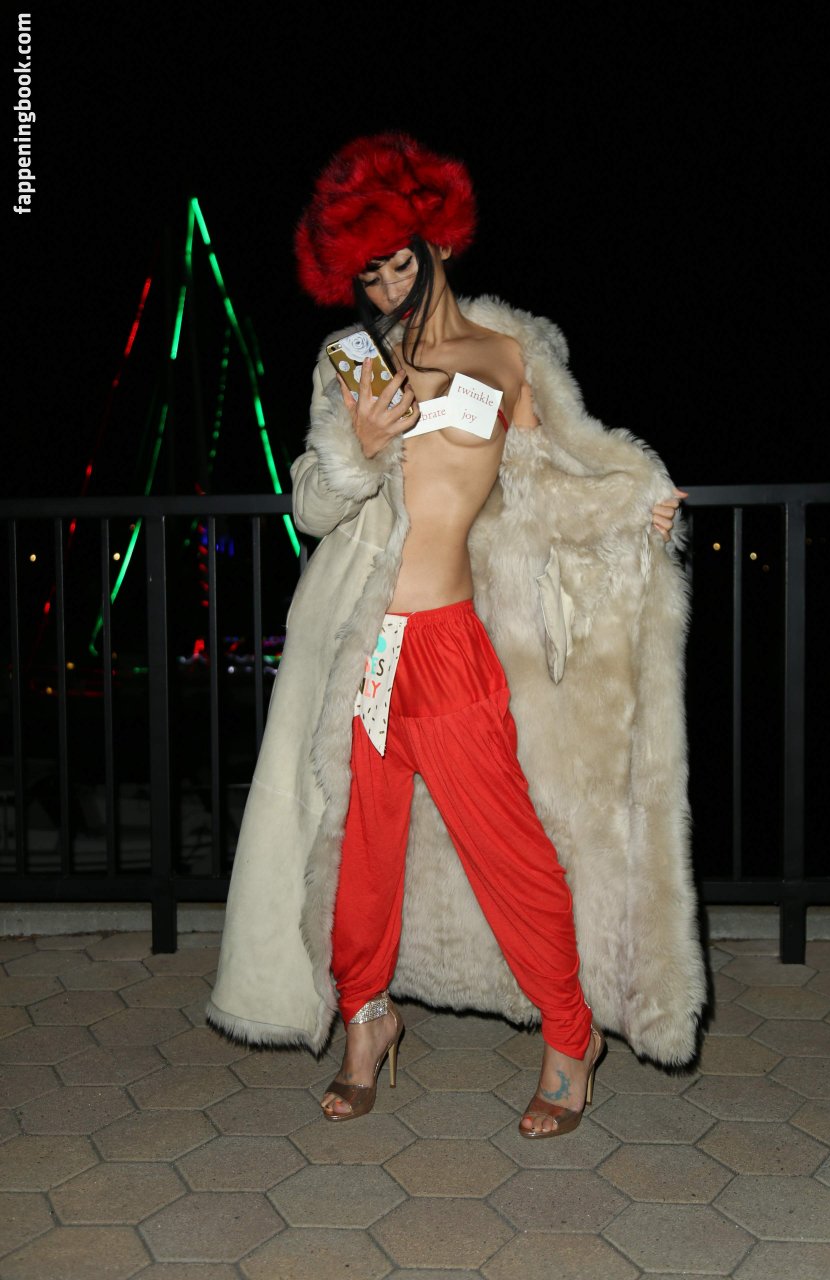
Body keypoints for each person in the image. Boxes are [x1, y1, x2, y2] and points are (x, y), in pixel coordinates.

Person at [206, 134, 707, 1139]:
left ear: (434, 244)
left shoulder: (503, 356)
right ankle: (366, 1021)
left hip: (449, 639)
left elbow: (553, 484)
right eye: (368, 274)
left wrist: (637, 508)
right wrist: (359, 451)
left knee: (506, 845)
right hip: (368, 648)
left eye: (400, 263)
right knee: (362, 848)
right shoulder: (351, 362)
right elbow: (311, 506)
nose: (388, 288)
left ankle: (569, 1036)